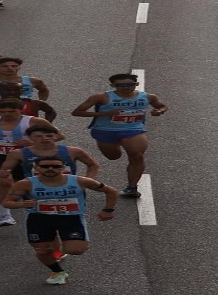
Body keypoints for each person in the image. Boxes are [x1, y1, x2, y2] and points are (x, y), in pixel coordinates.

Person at [2, 159, 119, 284]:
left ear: (63, 167)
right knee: (42, 251)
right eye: (45, 166)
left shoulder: (80, 181)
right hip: (40, 219)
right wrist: (21, 205)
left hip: (70, 218)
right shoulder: (25, 184)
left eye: (55, 166)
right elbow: (7, 202)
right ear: (36, 167)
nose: (50, 169)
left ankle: (59, 249)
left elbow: (111, 191)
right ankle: (58, 272)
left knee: (77, 250)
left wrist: (108, 210)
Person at [71, 72, 166, 200]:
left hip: (133, 129)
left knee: (137, 156)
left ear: (136, 84)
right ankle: (118, 146)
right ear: (113, 85)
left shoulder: (148, 97)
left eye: (129, 84)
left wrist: (159, 111)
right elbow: (77, 112)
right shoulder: (101, 97)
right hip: (105, 131)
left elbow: (162, 106)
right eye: (120, 85)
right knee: (113, 156)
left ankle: (132, 187)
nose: (125, 87)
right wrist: (106, 113)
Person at [0, 97, 58, 224]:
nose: (7, 115)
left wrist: (31, 142)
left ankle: (42, 211)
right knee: (4, 182)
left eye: (11, 111)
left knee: (27, 185)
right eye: (2, 112)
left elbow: (58, 135)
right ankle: (4, 216)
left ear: (21, 109)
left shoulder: (34, 121)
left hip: (25, 157)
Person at [0, 56, 56, 120]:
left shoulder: (34, 81)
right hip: (0, 114)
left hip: (26, 113)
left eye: (14, 66)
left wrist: (40, 102)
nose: (10, 68)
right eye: (4, 66)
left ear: (19, 68)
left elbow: (43, 90)